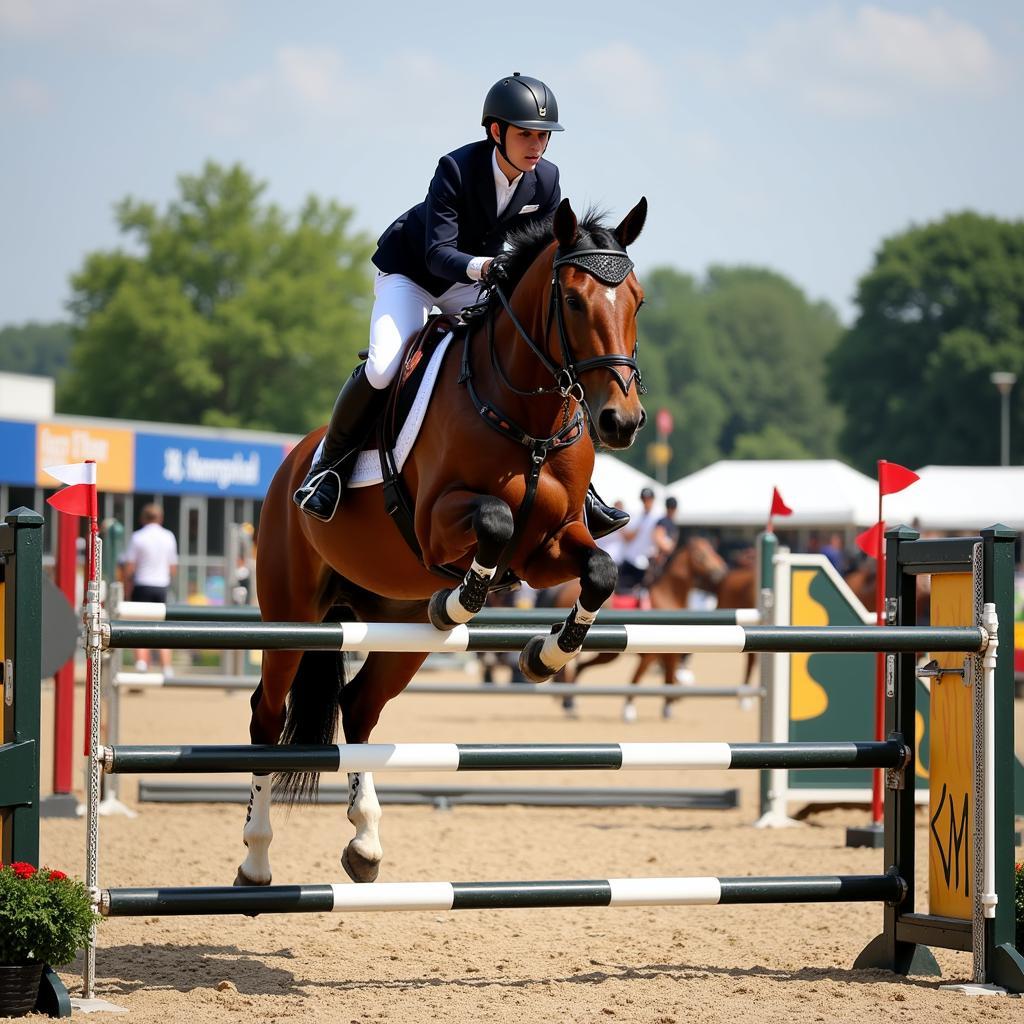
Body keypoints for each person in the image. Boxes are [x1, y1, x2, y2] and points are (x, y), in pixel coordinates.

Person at [292, 72, 628, 540]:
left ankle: (582, 488)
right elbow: (436, 253)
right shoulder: (455, 169)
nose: (536, 146)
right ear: (496, 132)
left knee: (542, 353)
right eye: (525, 134)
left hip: (478, 280)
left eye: (543, 136)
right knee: (386, 366)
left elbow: (542, 253)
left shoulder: (546, 180)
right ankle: (328, 468)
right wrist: (486, 268)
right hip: (415, 276)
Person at [124, 503, 178, 674]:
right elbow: (173, 568)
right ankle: (166, 667)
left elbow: (129, 567)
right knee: (162, 626)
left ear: (142, 518)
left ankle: (142, 663)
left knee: (139, 625)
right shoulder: (169, 536)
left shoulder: (137, 537)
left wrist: (127, 587)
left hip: (142, 584)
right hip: (161, 585)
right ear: (160, 518)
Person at [617, 487, 660, 592]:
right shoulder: (637, 516)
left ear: (653, 500)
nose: (646, 502)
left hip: (647, 563)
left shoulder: (658, 518)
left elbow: (659, 539)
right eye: (644, 499)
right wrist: (618, 518)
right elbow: (628, 537)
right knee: (621, 593)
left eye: (648, 499)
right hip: (631, 560)